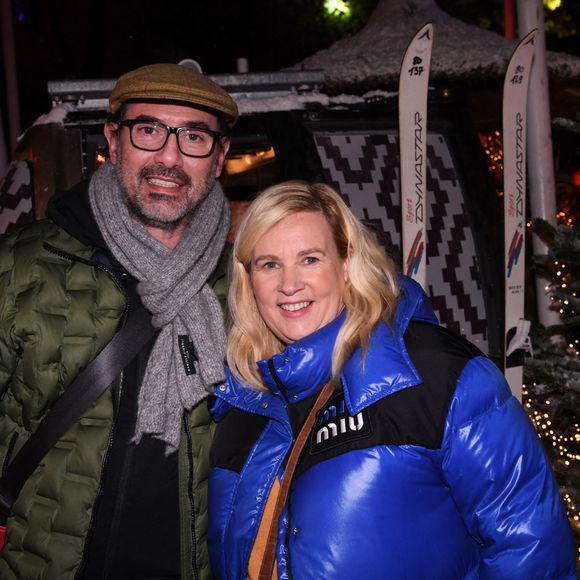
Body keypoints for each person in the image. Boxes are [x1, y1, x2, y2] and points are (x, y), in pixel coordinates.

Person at [208, 181, 576, 579]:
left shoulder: (440, 375)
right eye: (269, 264)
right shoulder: (243, 404)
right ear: (248, 281)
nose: (289, 283)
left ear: (346, 263)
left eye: (310, 259)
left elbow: (530, 549)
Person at [0, 63, 238, 579]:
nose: (169, 157)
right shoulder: (21, 267)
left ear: (218, 158)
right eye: (149, 129)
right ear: (113, 138)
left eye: (194, 136)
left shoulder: (249, 283)